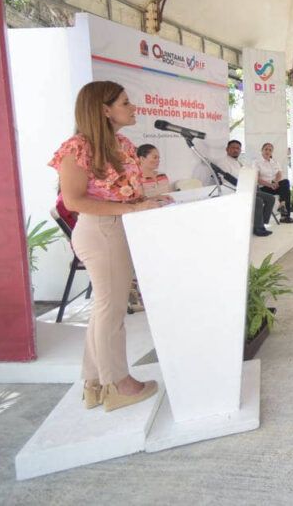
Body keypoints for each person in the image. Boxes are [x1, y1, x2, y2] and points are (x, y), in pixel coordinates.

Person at [49, 81, 166, 412]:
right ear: (104, 109)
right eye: (125, 102)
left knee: (105, 309)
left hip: (120, 229)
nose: (133, 107)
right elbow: (73, 200)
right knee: (111, 311)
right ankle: (118, 383)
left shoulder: (124, 144)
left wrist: (151, 201)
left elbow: (129, 192)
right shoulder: (76, 148)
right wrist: (132, 209)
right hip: (100, 232)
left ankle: (95, 383)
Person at [216, 140, 276, 236]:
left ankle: (261, 223)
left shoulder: (238, 162)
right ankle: (258, 229)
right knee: (258, 201)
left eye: (238, 148)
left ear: (240, 150)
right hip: (233, 190)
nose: (235, 150)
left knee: (270, 198)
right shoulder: (223, 162)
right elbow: (227, 180)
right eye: (233, 148)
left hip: (245, 188)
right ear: (227, 149)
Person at [255, 142, 293, 224]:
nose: (268, 151)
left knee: (285, 182)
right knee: (285, 191)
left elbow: (279, 173)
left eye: (270, 150)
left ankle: (282, 205)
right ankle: (285, 215)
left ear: (272, 152)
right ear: (262, 150)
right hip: (263, 187)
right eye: (266, 149)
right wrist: (270, 185)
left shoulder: (274, 162)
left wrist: (276, 182)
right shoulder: (256, 163)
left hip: (274, 185)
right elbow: (257, 179)